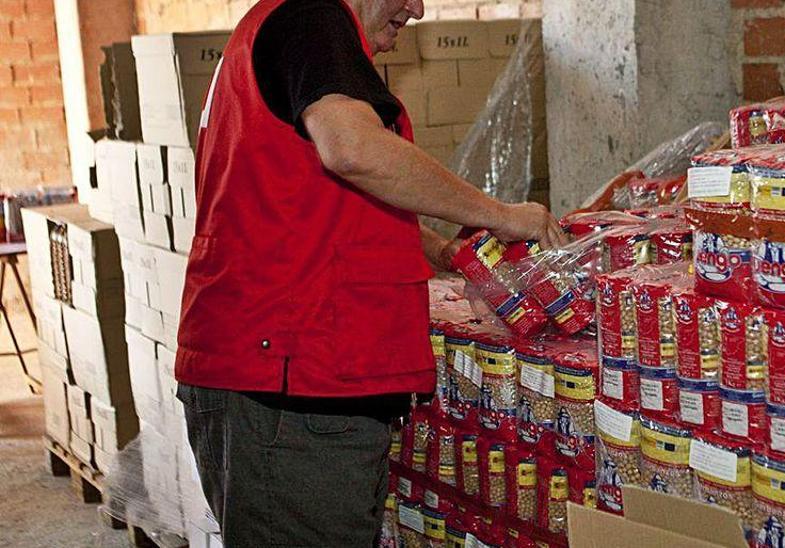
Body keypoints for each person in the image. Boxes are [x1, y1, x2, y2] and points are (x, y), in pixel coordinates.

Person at [173, 0, 567, 545]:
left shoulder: (282, 27)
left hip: (280, 376)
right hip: (289, 385)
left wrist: (443, 253)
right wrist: (498, 214)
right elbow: (352, 150)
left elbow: (309, 198)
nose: (418, 8)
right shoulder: (314, 17)